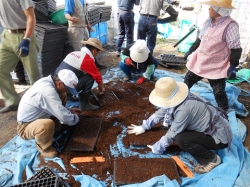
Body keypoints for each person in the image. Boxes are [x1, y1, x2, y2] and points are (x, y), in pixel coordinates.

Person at [127, 77, 232, 174]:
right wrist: (143, 127)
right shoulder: (179, 98)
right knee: (181, 131)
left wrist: (158, 147)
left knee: (181, 139)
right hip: (211, 126)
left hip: (218, 136)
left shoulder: (184, 110)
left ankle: (211, 160)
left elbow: (173, 132)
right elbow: (160, 113)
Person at [183, 0, 242, 112]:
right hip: (201, 61)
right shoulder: (208, 22)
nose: (209, 9)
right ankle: (180, 101)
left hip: (217, 64)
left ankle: (223, 110)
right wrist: (190, 50)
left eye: (211, 7)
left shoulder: (230, 26)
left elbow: (236, 48)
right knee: (187, 81)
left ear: (219, 10)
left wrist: (232, 66)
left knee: (219, 91)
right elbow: (200, 39)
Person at [17, 69, 81, 158]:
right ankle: (44, 148)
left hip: (39, 115)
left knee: (62, 95)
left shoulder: (49, 81)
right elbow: (63, 116)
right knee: (46, 124)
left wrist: (69, 110)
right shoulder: (47, 92)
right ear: (60, 83)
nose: (67, 91)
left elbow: (56, 106)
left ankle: (56, 125)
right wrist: (76, 118)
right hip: (26, 126)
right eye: (67, 88)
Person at [0, 0, 41, 113]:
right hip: (7, 35)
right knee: (1, 69)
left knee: (33, 74)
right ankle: (13, 101)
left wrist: (27, 40)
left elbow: (31, 17)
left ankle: (40, 103)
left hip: (24, 35)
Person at [56, 38, 106, 111]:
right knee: (90, 77)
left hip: (57, 84)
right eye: (98, 52)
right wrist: (101, 88)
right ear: (94, 50)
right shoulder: (86, 59)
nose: (97, 54)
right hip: (64, 89)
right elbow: (97, 76)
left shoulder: (74, 53)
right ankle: (85, 105)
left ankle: (69, 96)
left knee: (80, 74)